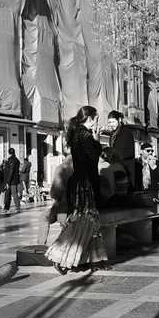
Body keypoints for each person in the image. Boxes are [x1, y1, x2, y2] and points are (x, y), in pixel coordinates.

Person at [45, 106, 109, 274]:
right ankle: (60, 256)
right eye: (95, 119)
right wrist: (96, 140)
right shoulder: (86, 135)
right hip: (84, 184)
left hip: (80, 182)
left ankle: (91, 259)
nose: (97, 122)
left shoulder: (77, 133)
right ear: (89, 118)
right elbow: (93, 158)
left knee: (88, 221)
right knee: (84, 220)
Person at [38, 155, 73, 245]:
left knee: (44, 217)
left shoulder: (62, 168)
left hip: (65, 206)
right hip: (81, 204)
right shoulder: (84, 166)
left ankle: (40, 245)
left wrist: (54, 196)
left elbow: (55, 192)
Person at [105, 110, 136, 190]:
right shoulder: (112, 135)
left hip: (126, 170)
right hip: (116, 169)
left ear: (119, 120)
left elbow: (130, 153)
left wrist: (115, 157)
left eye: (113, 122)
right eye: (109, 122)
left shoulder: (127, 132)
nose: (111, 124)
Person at [3, 148, 21, 212]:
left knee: (11, 194)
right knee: (12, 194)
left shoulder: (11, 160)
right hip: (15, 180)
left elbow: (11, 171)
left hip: (11, 180)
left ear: (9, 153)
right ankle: (9, 208)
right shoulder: (17, 160)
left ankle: (15, 207)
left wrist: (8, 181)